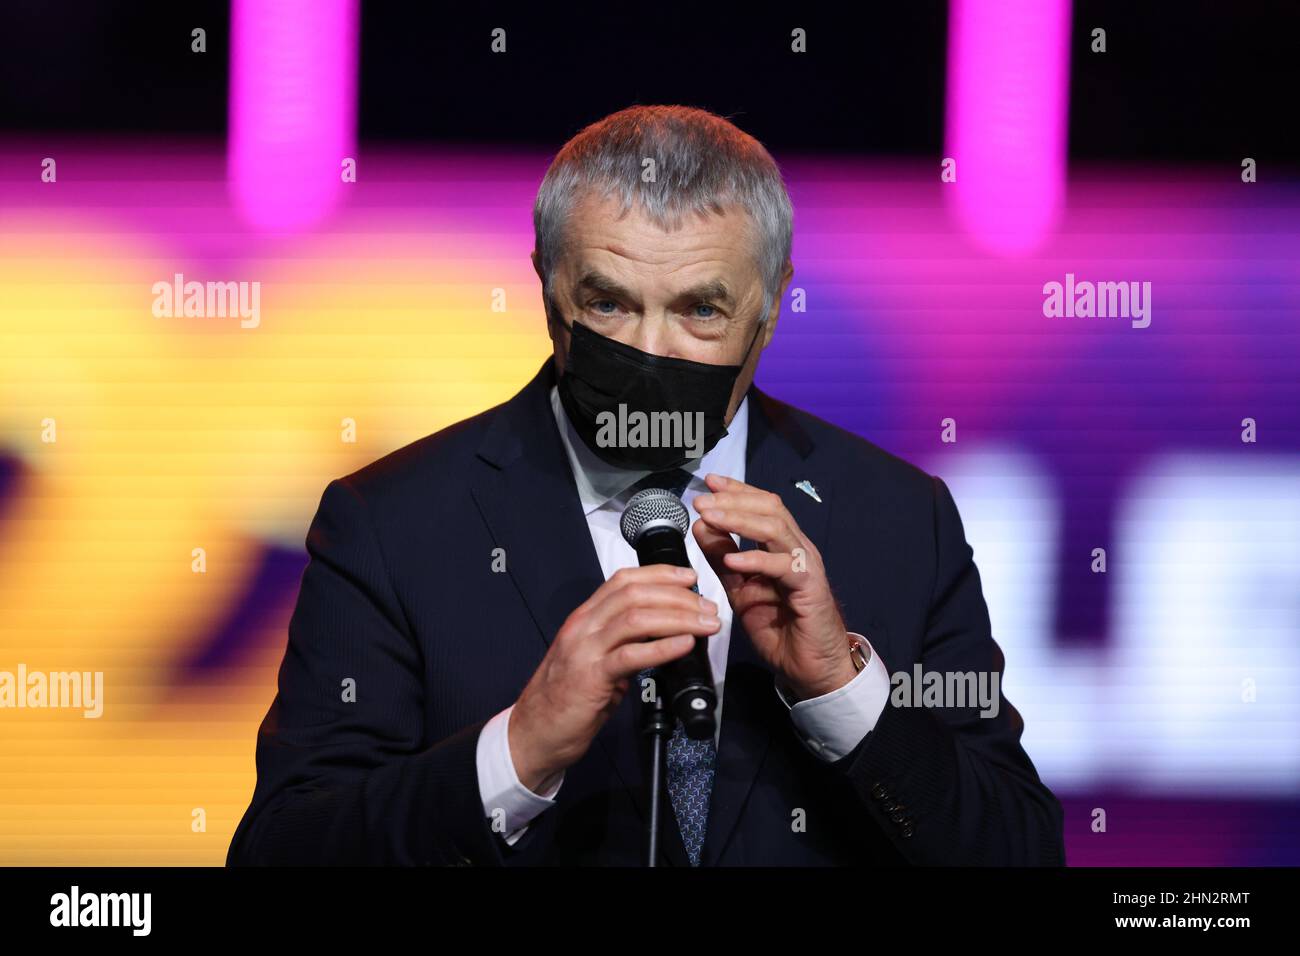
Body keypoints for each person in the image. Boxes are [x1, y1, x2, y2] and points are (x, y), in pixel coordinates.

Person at [227, 104, 1066, 866]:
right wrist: (517, 751)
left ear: (772, 304)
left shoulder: (898, 518)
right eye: (611, 305)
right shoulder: (395, 522)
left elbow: (1020, 855)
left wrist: (844, 693)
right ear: (547, 284)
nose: (653, 352)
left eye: (701, 310)